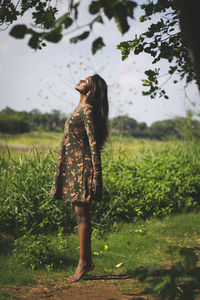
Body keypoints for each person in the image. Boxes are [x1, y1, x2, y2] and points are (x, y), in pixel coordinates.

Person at [51, 74, 109, 282]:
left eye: (85, 80)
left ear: (91, 90)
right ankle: (86, 261)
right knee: (79, 216)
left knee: (82, 216)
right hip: (75, 169)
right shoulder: (80, 109)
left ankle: (84, 264)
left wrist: (96, 176)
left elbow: (94, 145)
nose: (80, 81)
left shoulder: (87, 110)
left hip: (83, 169)